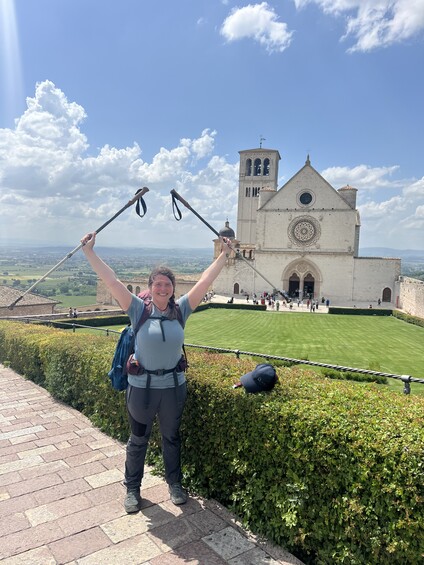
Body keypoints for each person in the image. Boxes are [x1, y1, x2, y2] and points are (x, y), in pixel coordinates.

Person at [80, 231, 232, 513]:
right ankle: (132, 490)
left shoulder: (182, 310)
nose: (163, 288)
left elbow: (205, 281)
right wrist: (90, 252)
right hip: (142, 390)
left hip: (173, 388)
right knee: (138, 440)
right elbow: (111, 280)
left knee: (172, 438)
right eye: (158, 284)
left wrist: (224, 254)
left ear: (173, 288)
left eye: (167, 285)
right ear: (150, 287)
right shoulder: (138, 310)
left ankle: (175, 485)